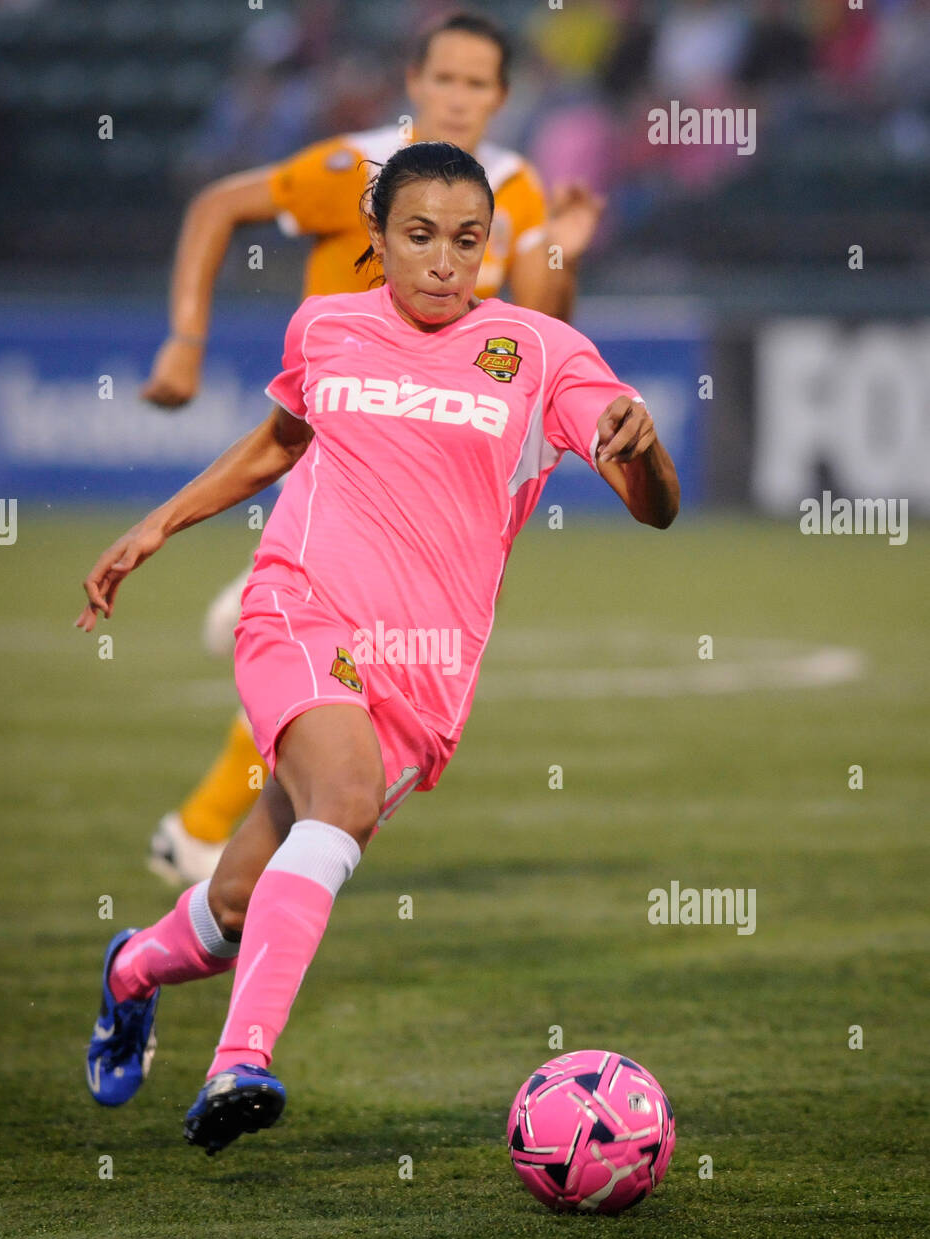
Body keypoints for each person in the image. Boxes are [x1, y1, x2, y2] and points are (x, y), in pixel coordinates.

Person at [77, 141, 678, 1158]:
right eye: (418, 236)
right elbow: (280, 438)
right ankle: (240, 1060)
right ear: (375, 240)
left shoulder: (537, 354)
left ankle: (131, 968)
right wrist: (161, 523)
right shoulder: (328, 325)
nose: (444, 262)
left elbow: (653, 509)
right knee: (342, 799)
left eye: (466, 240)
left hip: (423, 678)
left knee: (231, 907)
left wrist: (643, 442)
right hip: (299, 611)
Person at [139, 10, 606, 887]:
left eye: (479, 85)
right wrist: (186, 341)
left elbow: (543, 339)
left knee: (342, 682)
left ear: (503, 98)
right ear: (413, 83)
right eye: (445, 80)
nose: (459, 99)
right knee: (337, 672)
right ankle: (216, 834)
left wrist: (562, 255)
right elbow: (216, 206)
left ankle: (209, 833)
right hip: (340, 463)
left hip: (426, 480)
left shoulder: (516, 191)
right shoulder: (352, 167)